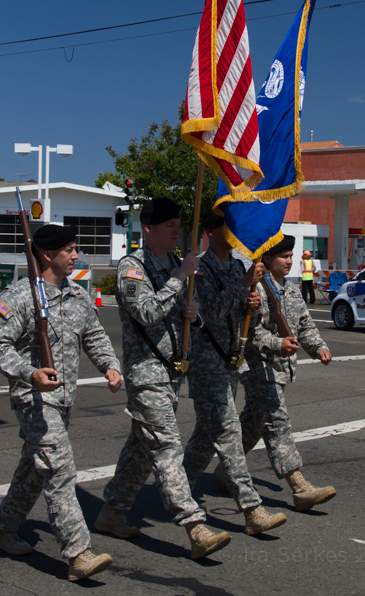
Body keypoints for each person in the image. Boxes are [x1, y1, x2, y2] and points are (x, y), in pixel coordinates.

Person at [95, 198, 231, 560]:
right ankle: (194, 525)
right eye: (170, 224)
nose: (177, 230)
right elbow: (146, 312)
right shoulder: (132, 267)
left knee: (141, 450)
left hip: (171, 373)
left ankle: (111, 511)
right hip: (146, 374)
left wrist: (194, 314)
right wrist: (180, 280)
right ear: (149, 228)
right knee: (167, 447)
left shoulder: (174, 263)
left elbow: (188, 321)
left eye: (178, 224)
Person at [0, 224, 122, 582]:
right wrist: (29, 373)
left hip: (63, 401)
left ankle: (2, 530)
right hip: (33, 400)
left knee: (34, 471)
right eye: (70, 250)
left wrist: (109, 366)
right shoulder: (18, 297)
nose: (76, 256)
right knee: (60, 470)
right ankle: (78, 552)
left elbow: (93, 334)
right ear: (48, 255)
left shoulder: (77, 295)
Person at [214, 235, 336, 513]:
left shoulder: (291, 291)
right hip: (260, 368)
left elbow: (304, 325)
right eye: (284, 256)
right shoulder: (256, 290)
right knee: (277, 422)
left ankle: (224, 472)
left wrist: (319, 348)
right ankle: (299, 486)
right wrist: (275, 343)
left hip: (281, 370)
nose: (290, 261)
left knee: (255, 423)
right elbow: (249, 331)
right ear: (266, 259)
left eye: (291, 256)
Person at [183, 209, 286, 535]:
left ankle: (178, 487)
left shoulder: (239, 266)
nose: (234, 232)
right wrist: (243, 287)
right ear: (211, 232)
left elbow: (242, 319)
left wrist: (250, 306)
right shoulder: (200, 268)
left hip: (229, 361)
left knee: (206, 435)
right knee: (227, 431)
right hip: (204, 363)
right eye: (228, 227)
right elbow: (210, 312)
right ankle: (252, 509)